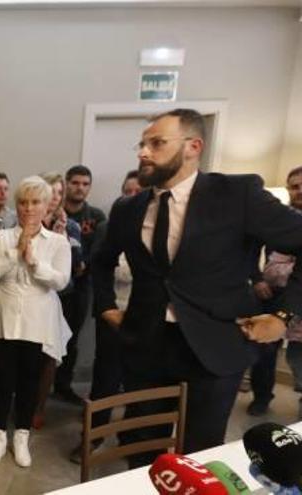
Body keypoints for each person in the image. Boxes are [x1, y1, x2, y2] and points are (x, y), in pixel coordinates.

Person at [92, 108, 302, 468]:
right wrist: (106, 305)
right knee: (141, 447)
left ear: (193, 146)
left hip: (214, 345)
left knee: (200, 454)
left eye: (156, 143)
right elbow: (101, 260)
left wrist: (283, 316)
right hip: (145, 343)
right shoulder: (128, 208)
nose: (143, 152)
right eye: (142, 144)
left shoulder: (238, 194)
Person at [0, 175, 71, 469]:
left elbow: (61, 280)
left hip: (38, 318)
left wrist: (35, 261)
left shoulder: (57, 242)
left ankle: (21, 436)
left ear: (46, 206)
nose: (28, 208)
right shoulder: (2, 237)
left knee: (29, 381)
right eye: (23, 202)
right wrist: (17, 252)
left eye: (35, 202)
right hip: (2, 315)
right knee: (0, 379)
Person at [69, 170, 142, 463]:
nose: (131, 197)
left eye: (138, 192)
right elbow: (105, 272)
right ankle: (93, 437)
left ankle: (132, 437)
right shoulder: (109, 228)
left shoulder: (163, 228)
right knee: (106, 379)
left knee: (141, 381)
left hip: (150, 318)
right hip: (114, 315)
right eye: (127, 192)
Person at [33, 171, 82, 429]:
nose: (56, 197)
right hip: (31, 298)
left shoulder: (70, 226)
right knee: (28, 355)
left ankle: (39, 409)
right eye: (51, 191)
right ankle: (22, 404)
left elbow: (75, 268)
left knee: (50, 357)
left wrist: (61, 240)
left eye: (59, 193)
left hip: (61, 299)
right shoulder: (26, 222)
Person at [56, 164, 106, 404]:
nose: (80, 188)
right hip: (52, 286)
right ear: (66, 184)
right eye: (75, 183)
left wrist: (83, 264)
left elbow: (100, 250)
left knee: (71, 339)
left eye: (85, 184)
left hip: (80, 286)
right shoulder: (54, 212)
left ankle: (63, 385)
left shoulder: (95, 217)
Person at [259, 166, 302, 420]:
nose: (299, 191)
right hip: (278, 305)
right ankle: (262, 398)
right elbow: (272, 270)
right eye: (294, 186)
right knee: (266, 356)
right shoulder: (278, 223)